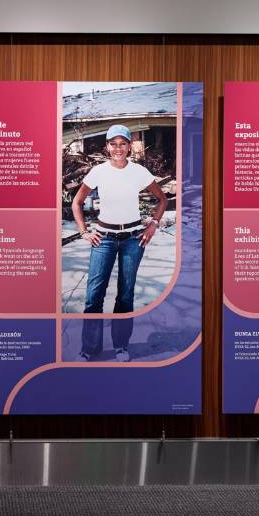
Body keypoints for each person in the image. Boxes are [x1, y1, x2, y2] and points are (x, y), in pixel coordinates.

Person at [71, 125, 167, 362]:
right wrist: (84, 232)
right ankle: (90, 348)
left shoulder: (139, 171)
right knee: (94, 295)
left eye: (122, 143)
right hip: (103, 238)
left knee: (125, 295)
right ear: (107, 146)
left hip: (133, 239)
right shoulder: (98, 172)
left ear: (129, 146)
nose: (118, 148)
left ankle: (121, 346)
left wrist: (153, 224)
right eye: (113, 144)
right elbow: (77, 202)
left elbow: (162, 199)